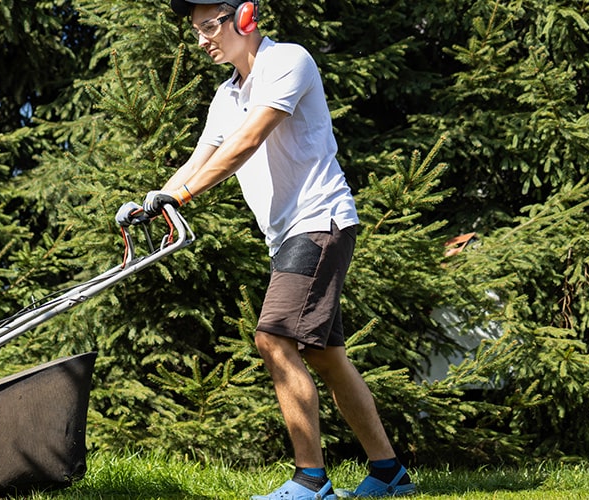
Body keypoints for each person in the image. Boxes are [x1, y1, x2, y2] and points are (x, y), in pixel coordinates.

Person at [115, 1, 418, 498]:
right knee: (326, 357)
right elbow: (202, 157)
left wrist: (182, 197)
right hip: (289, 235)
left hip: (319, 222)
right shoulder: (225, 95)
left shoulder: (288, 62)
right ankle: (389, 473)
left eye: (210, 26)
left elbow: (250, 140)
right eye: (195, 31)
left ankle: (311, 480)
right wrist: (153, 203)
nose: (202, 39)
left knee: (273, 339)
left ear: (245, 17)